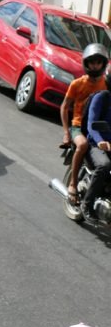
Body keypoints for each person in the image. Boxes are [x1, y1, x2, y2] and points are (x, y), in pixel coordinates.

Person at [62, 44, 108, 206]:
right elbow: (65, 106)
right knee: (82, 145)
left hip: (96, 127)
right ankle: (73, 183)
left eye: (98, 62)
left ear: (103, 64)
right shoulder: (77, 83)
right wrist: (66, 132)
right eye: (92, 62)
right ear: (86, 63)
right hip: (78, 126)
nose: (95, 66)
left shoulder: (106, 84)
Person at [79, 68, 111, 222]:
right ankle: (86, 204)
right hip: (95, 144)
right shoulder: (101, 97)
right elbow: (92, 124)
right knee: (104, 165)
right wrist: (99, 140)